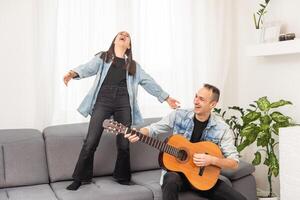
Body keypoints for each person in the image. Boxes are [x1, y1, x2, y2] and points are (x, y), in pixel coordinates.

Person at [63, 31, 180, 190]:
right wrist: (73, 73)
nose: (124, 34)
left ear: (129, 45)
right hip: (103, 100)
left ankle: (122, 176)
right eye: (120, 34)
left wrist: (166, 98)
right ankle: (79, 178)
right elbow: (87, 68)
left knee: (124, 142)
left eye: (127, 35)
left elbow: (148, 82)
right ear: (115, 41)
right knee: (91, 141)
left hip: (124, 102)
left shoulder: (133, 66)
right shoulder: (103, 57)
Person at [126, 84, 247, 200]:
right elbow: (153, 129)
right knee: (170, 178)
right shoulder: (179, 115)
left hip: (204, 179)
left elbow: (234, 163)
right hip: (178, 175)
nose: (195, 101)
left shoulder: (222, 128)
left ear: (212, 104)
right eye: (196, 96)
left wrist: (212, 160)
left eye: (201, 99)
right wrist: (140, 133)